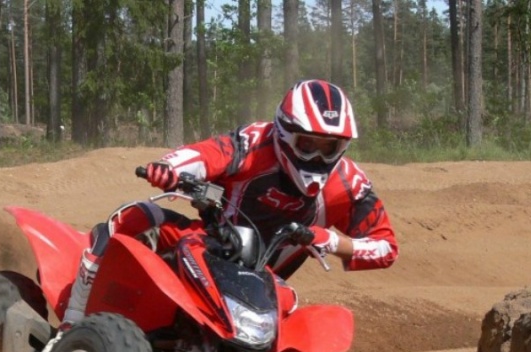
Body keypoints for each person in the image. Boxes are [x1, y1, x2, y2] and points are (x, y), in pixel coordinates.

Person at [61, 79, 399, 327]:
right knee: (133, 217)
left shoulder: (349, 182)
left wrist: (329, 241)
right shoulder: (254, 143)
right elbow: (207, 154)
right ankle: (72, 323)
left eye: (330, 147)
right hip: (207, 247)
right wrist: (169, 168)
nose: (317, 155)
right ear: (284, 132)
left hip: (262, 285)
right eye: (307, 143)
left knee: (300, 319)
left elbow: (386, 248)